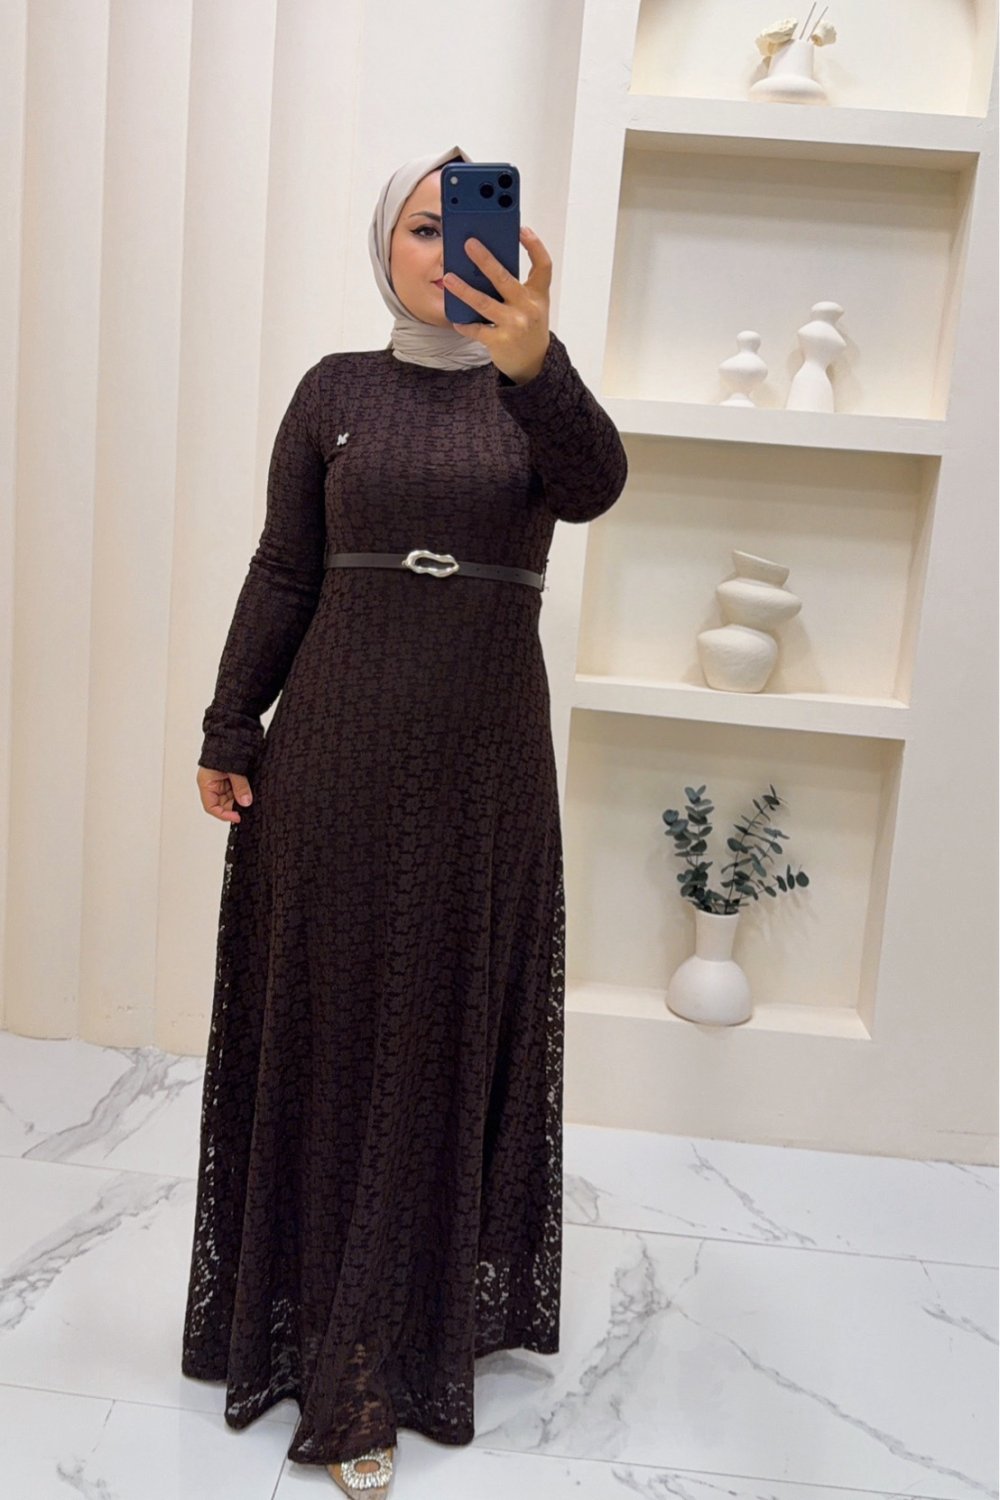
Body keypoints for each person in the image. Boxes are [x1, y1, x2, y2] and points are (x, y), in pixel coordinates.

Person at [180, 143, 628, 1498]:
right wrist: (229, 725)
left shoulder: (534, 390)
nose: (449, 251)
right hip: (332, 752)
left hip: (483, 768)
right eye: (423, 229)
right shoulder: (334, 390)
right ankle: (338, 1342)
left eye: (469, 228)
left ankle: (400, 1319)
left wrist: (536, 363)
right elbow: (284, 566)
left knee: (437, 1026)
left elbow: (597, 486)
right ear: (386, 246)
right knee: (333, 1028)